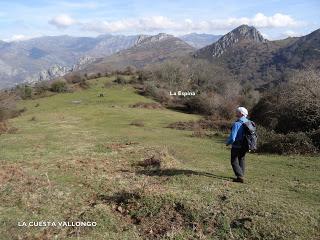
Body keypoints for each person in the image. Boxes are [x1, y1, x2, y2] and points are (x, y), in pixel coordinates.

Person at [226, 107, 249, 183]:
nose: (236, 113)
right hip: (245, 145)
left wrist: (228, 143)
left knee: (234, 161)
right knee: (241, 159)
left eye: (237, 112)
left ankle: (240, 176)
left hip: (237, 145)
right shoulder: (249, 122)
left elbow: (233, 138)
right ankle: (241, 175)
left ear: (241, 114)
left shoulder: (237, 124)